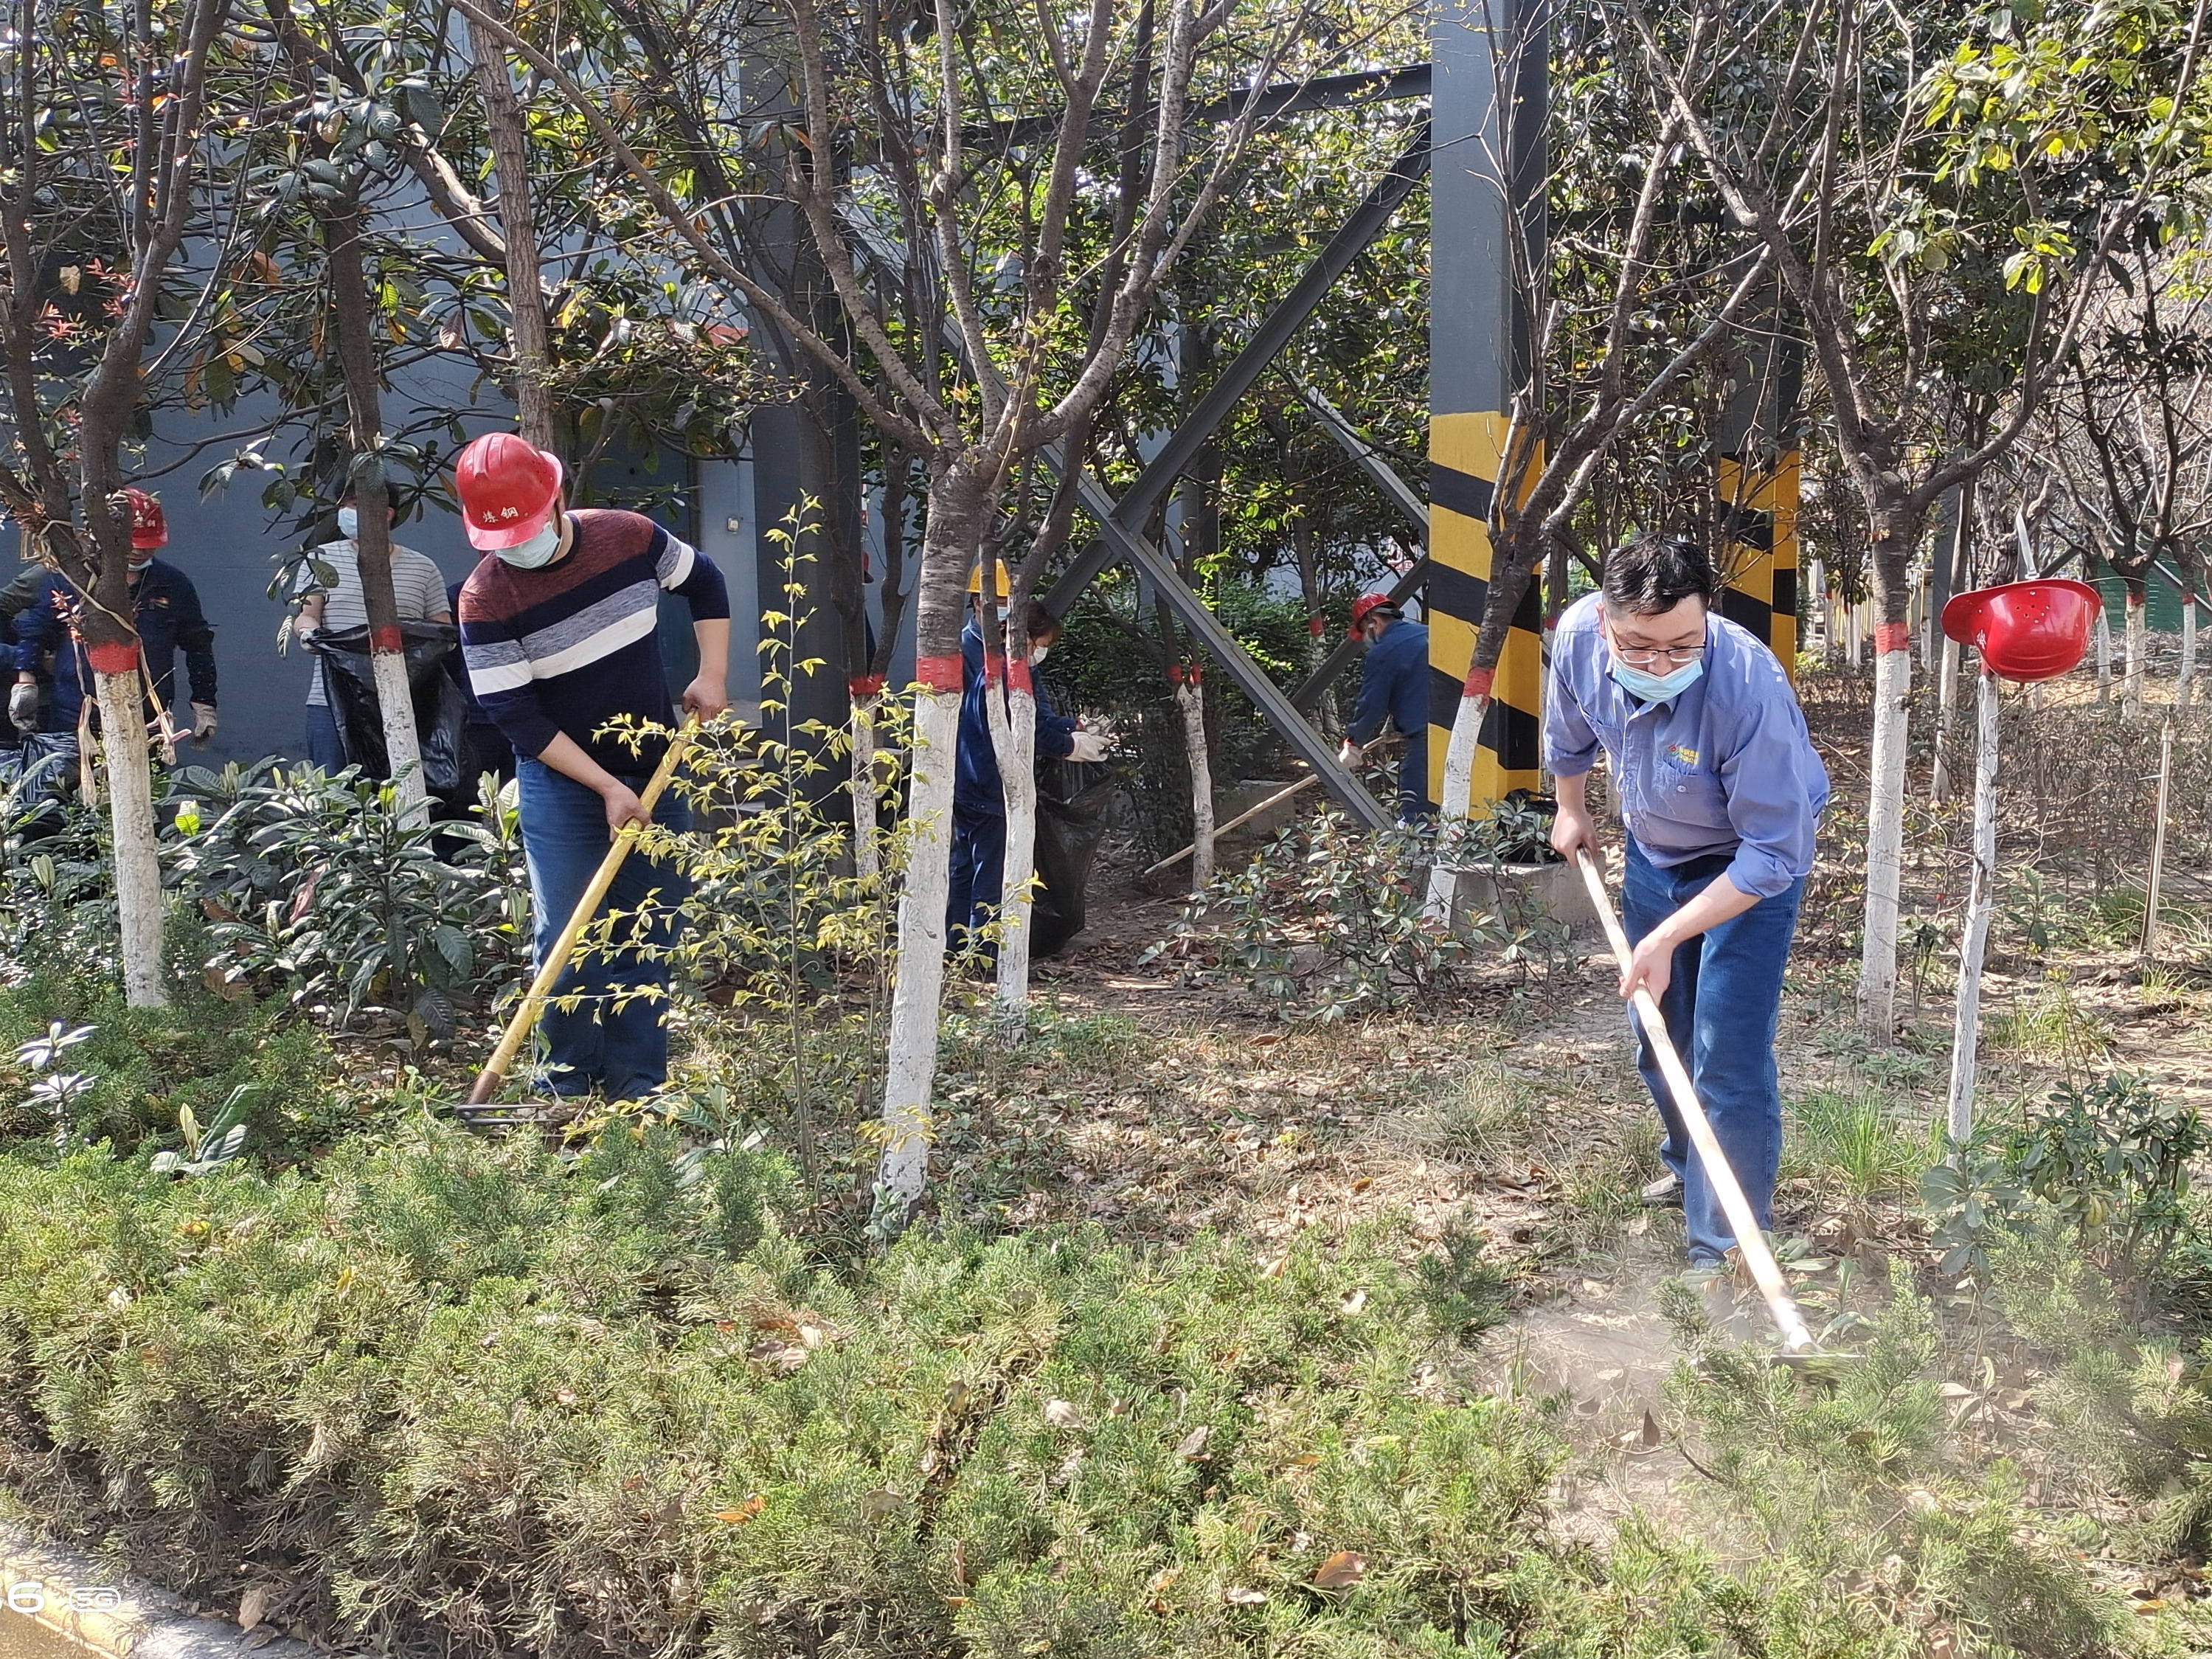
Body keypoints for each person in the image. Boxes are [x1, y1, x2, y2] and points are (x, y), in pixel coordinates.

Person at [1544, 532, 1828, 1283]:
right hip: (1654, 850)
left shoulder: (1746, 688)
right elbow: (1568, 730)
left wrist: (1667, 935)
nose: (1658, 664)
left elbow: (1772, 853)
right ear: (1605, 623)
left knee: (1723, 1056)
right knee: (1657, 1032)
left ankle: (1724, 1249)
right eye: (1637, 646)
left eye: (1680, 645)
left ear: (1706, 620)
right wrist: (1569, 807)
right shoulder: (1577, 636)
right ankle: (1689, 1164)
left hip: (1745, 865)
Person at [454, 432, 729, 1102]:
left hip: (654, 763)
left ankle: (638, 1081)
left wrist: (712, 674)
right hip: (563, 780)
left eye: (525, 526)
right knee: (568, 931)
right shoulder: (484, 599)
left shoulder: (627, 537)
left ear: (556, 498)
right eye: (503, 537)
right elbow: (515, 713)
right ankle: (566, 1084)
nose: (518, 545)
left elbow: (706, 580)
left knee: (649, 919)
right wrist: (605, 786)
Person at [947, 571, 1106, 957]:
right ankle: (983, 954)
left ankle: (957, 948)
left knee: (965, 868)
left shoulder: (987, 649)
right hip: (989, 779)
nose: (1040, 652)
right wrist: (1068, 745)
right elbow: (1017, 720)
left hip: (967, 777)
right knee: (988, 872)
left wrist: (1072, 727)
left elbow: (1032, 711)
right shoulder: (994, 658)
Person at [11, 488, 216, 744]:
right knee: (69, 780)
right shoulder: (75, 579)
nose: (138, 551)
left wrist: (204, 702)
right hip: (76, 713)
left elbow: (198, 644)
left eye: (147, 544)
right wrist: (25, 681)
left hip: (146, 716)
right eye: (132, 543)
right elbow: (34, 630)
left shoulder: (172, 584)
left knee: (143, 780)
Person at [294, 481, 451, 770]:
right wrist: (308, 633)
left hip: (404, 701)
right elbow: (306, 615)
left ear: (386, 513)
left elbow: (442, 631)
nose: (344, 512)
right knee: (332, 796)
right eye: (342, 505)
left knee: (401, 793)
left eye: (353, 505)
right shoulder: (320, 560)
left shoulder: (423, 568)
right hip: (330, 702)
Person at [1338, 592, 1431, 821]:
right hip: (1467, 728)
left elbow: (1371, 702)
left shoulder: (1384, 651)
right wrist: (1396, 722)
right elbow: (1416, 683)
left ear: (1375, 622)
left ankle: (1418, 851)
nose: (1366, 641)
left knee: (1415, 807)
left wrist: (1353, 743)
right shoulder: (1428, 633)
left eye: (1365, 633)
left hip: (1427, 736)